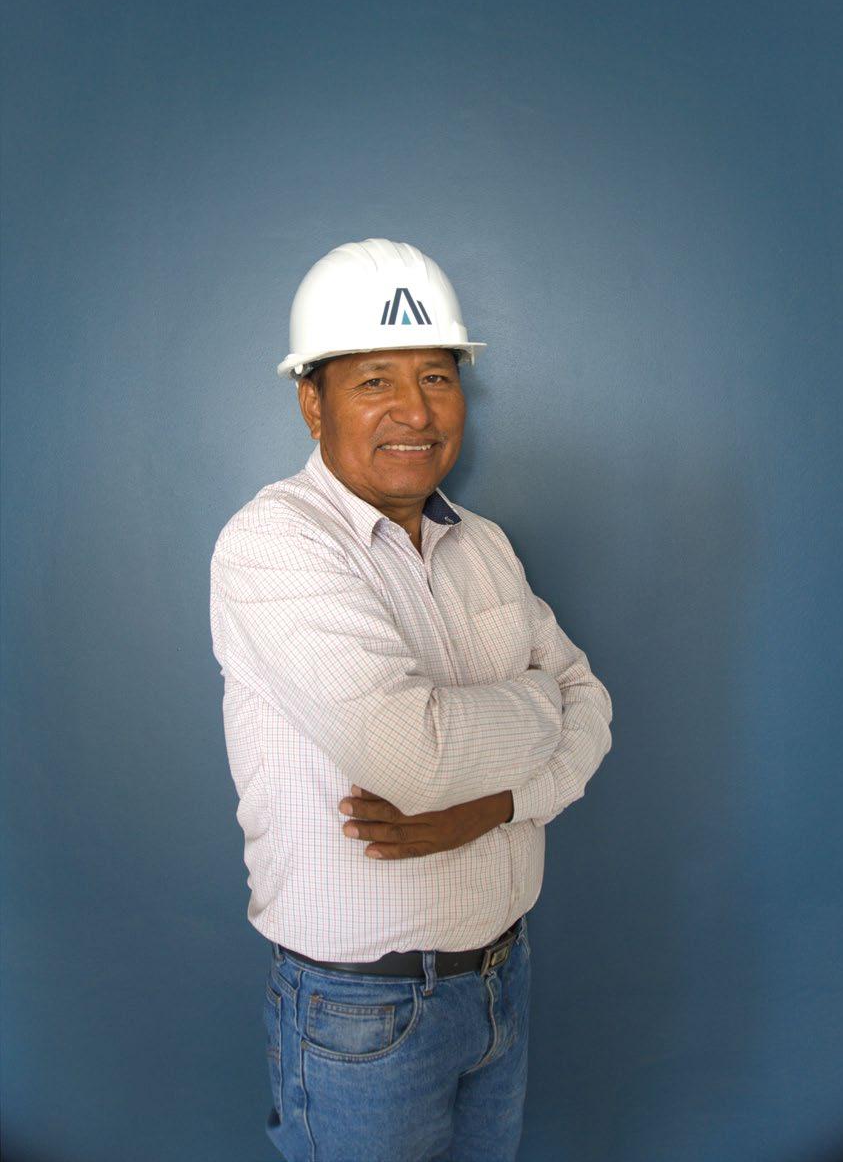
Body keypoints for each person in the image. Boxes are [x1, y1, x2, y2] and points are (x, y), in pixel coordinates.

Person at [209, 237, 613, 1162]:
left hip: (502, 982)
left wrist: (498, 804)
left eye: (436, 376)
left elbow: (595, 701)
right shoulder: (274, 544)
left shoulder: (484, 544)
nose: (415, 411)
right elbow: (415, 758)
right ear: (312, 401)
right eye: (373, 381)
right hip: (363, 1017)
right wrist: (541, 701)